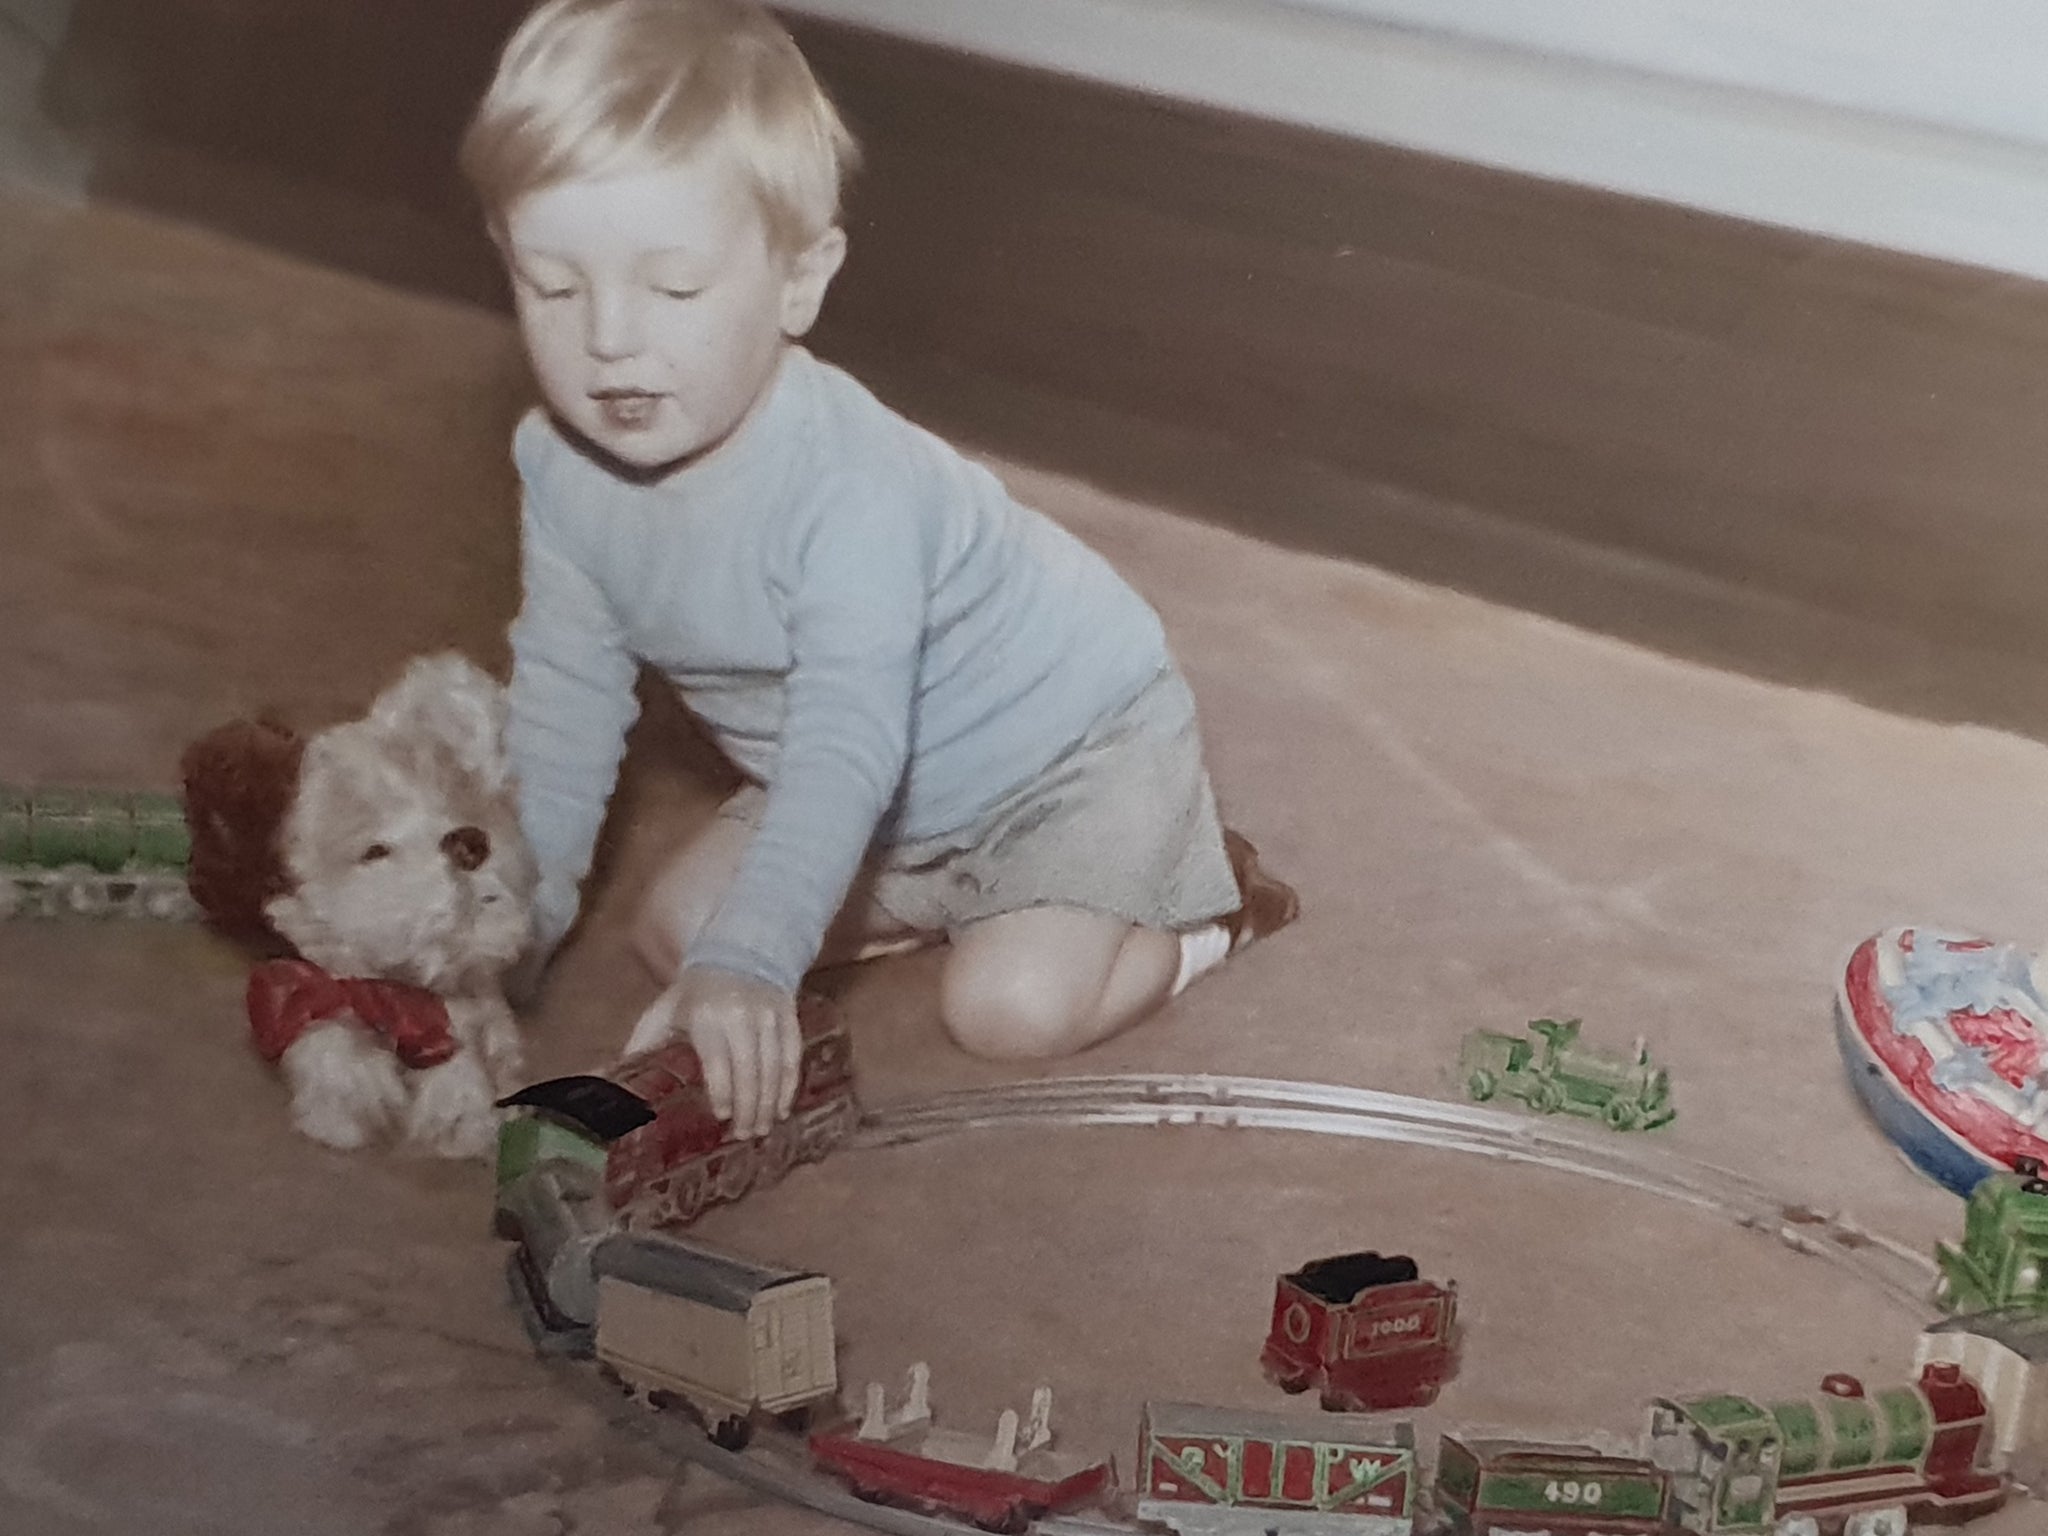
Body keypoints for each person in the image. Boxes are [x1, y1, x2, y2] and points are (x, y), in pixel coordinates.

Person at [460, 0, 1299, 1142]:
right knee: (677, 930)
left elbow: (848, 734)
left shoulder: (849, 488)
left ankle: (1206, 911)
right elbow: (566, 695)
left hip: (1065, 754)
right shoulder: (555, 468)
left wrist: (759, 959)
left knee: (1008, 1010)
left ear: (798, 284)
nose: (609, 338)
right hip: (878, 783)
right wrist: (522, 916)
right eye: (554, 287)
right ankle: (934, 905)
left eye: (673, 288)